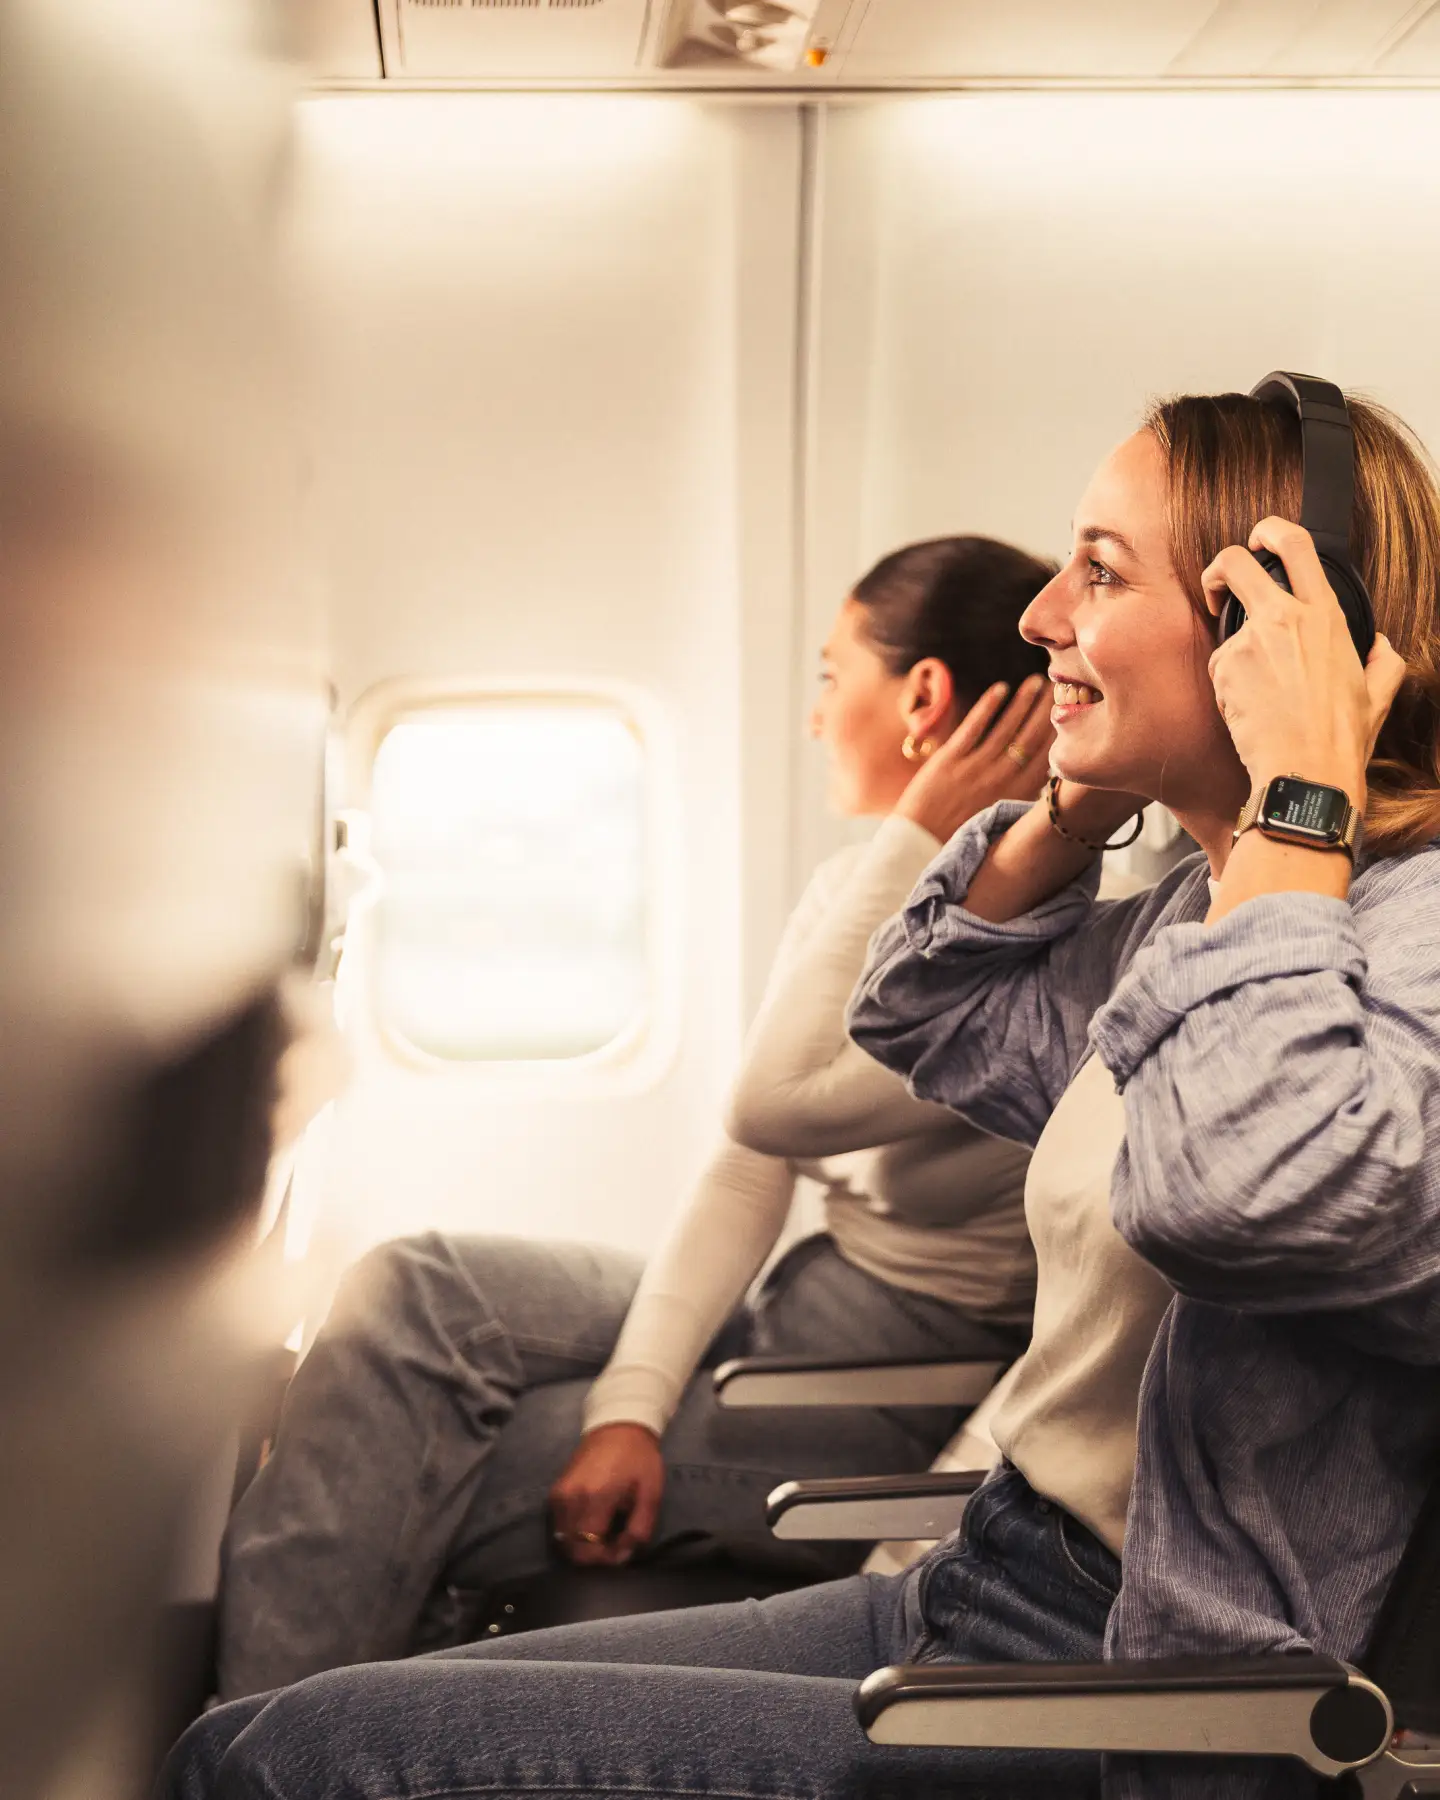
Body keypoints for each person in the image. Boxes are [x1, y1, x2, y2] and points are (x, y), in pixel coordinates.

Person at [163, 377, 1440, 1800]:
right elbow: (921, 1015)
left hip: (1132, 1684)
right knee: (247, 1744)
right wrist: (1074, 791)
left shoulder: (1400, 930)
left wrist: (1301, 790)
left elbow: (1236, 1193)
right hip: (993, 1573)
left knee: (287, 1771)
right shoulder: (1197, 909)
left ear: (1269, 625)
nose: (1041, 619)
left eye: (1097, 570)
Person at [215, 535, 1056, 1701]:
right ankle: (257, 1739)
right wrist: (630, 1406)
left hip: (876, 1377)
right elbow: (747, 1164)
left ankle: (253, 1748)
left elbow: (777, 1101)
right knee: (415, 1284)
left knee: (406, 1467)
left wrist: (916, 832)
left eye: (829, 675)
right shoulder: (852, 887)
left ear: (919, 696)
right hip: (796, 1309)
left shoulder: (1048, 932)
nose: (815, 718)